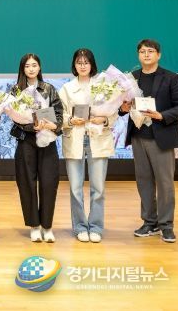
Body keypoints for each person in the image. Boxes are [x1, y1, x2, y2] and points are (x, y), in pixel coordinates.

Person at [119, 39, 178, 243]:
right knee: (144, 181)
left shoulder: (170, 77)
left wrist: (161, 115)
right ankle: (150, 222)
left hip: (162, 137)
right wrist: (123, 108)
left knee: (165, 183)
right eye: (142, 51)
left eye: (150, 51)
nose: (146, 55)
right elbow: (122, 107)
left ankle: (166, 225)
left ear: (158, 55)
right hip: (138, 136)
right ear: (138, 55)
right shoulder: (131, 78)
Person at [59, 49, 116, 243]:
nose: (82, 66)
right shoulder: (67, 88)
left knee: (98, 188)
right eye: (79, 62)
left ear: (92, 64)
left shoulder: (103, 86)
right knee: (75, 188)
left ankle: (96, 227)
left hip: (97, 139)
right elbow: (60, 114)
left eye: (86, 62)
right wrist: (70, 120)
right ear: (74, 65)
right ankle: (80, 226)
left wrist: (104, 119)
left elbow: (113, 113)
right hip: (75, 138)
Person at [10, 53, 63, 243]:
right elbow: (14, 116)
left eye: (34, 65)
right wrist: (31, 126)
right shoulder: (16, 90)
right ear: (22, 69)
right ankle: (34, 225)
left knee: (49, 183)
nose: (31, 69)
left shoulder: (49, 89)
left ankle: (47, 226)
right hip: (26, 141)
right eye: (27, 66)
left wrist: (50, 125)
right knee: (27, 183)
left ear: (39, 67)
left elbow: (59, 114)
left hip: (47, 141)